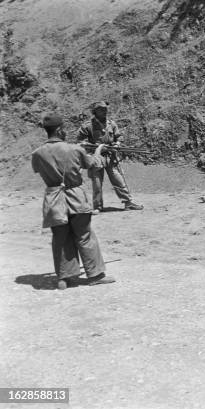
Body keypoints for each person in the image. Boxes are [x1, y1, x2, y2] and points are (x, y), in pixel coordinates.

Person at [32, 113, 115, 289]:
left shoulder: (37, 153)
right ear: (60, 130)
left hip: (54, 200)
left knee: (60, 238)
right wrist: (98, 151)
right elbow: (94, 164)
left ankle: (64, 277)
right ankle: (95, 275)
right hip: (76, 197)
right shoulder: (75, 149)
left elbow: (39, 170)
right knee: (84, 236)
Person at [77, 101, 143, 213]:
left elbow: (119, 137)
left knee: (119, 180)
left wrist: (117, 144)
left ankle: (128, 202)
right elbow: (80, 140)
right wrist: (94, 147)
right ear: (95, 111)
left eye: (105, 109)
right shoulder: (88, 125)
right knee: (97, 183)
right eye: (101, 109)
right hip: (96, 157)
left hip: (110, 156)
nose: (104, 111)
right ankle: (97, 206)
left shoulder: (111, 124)